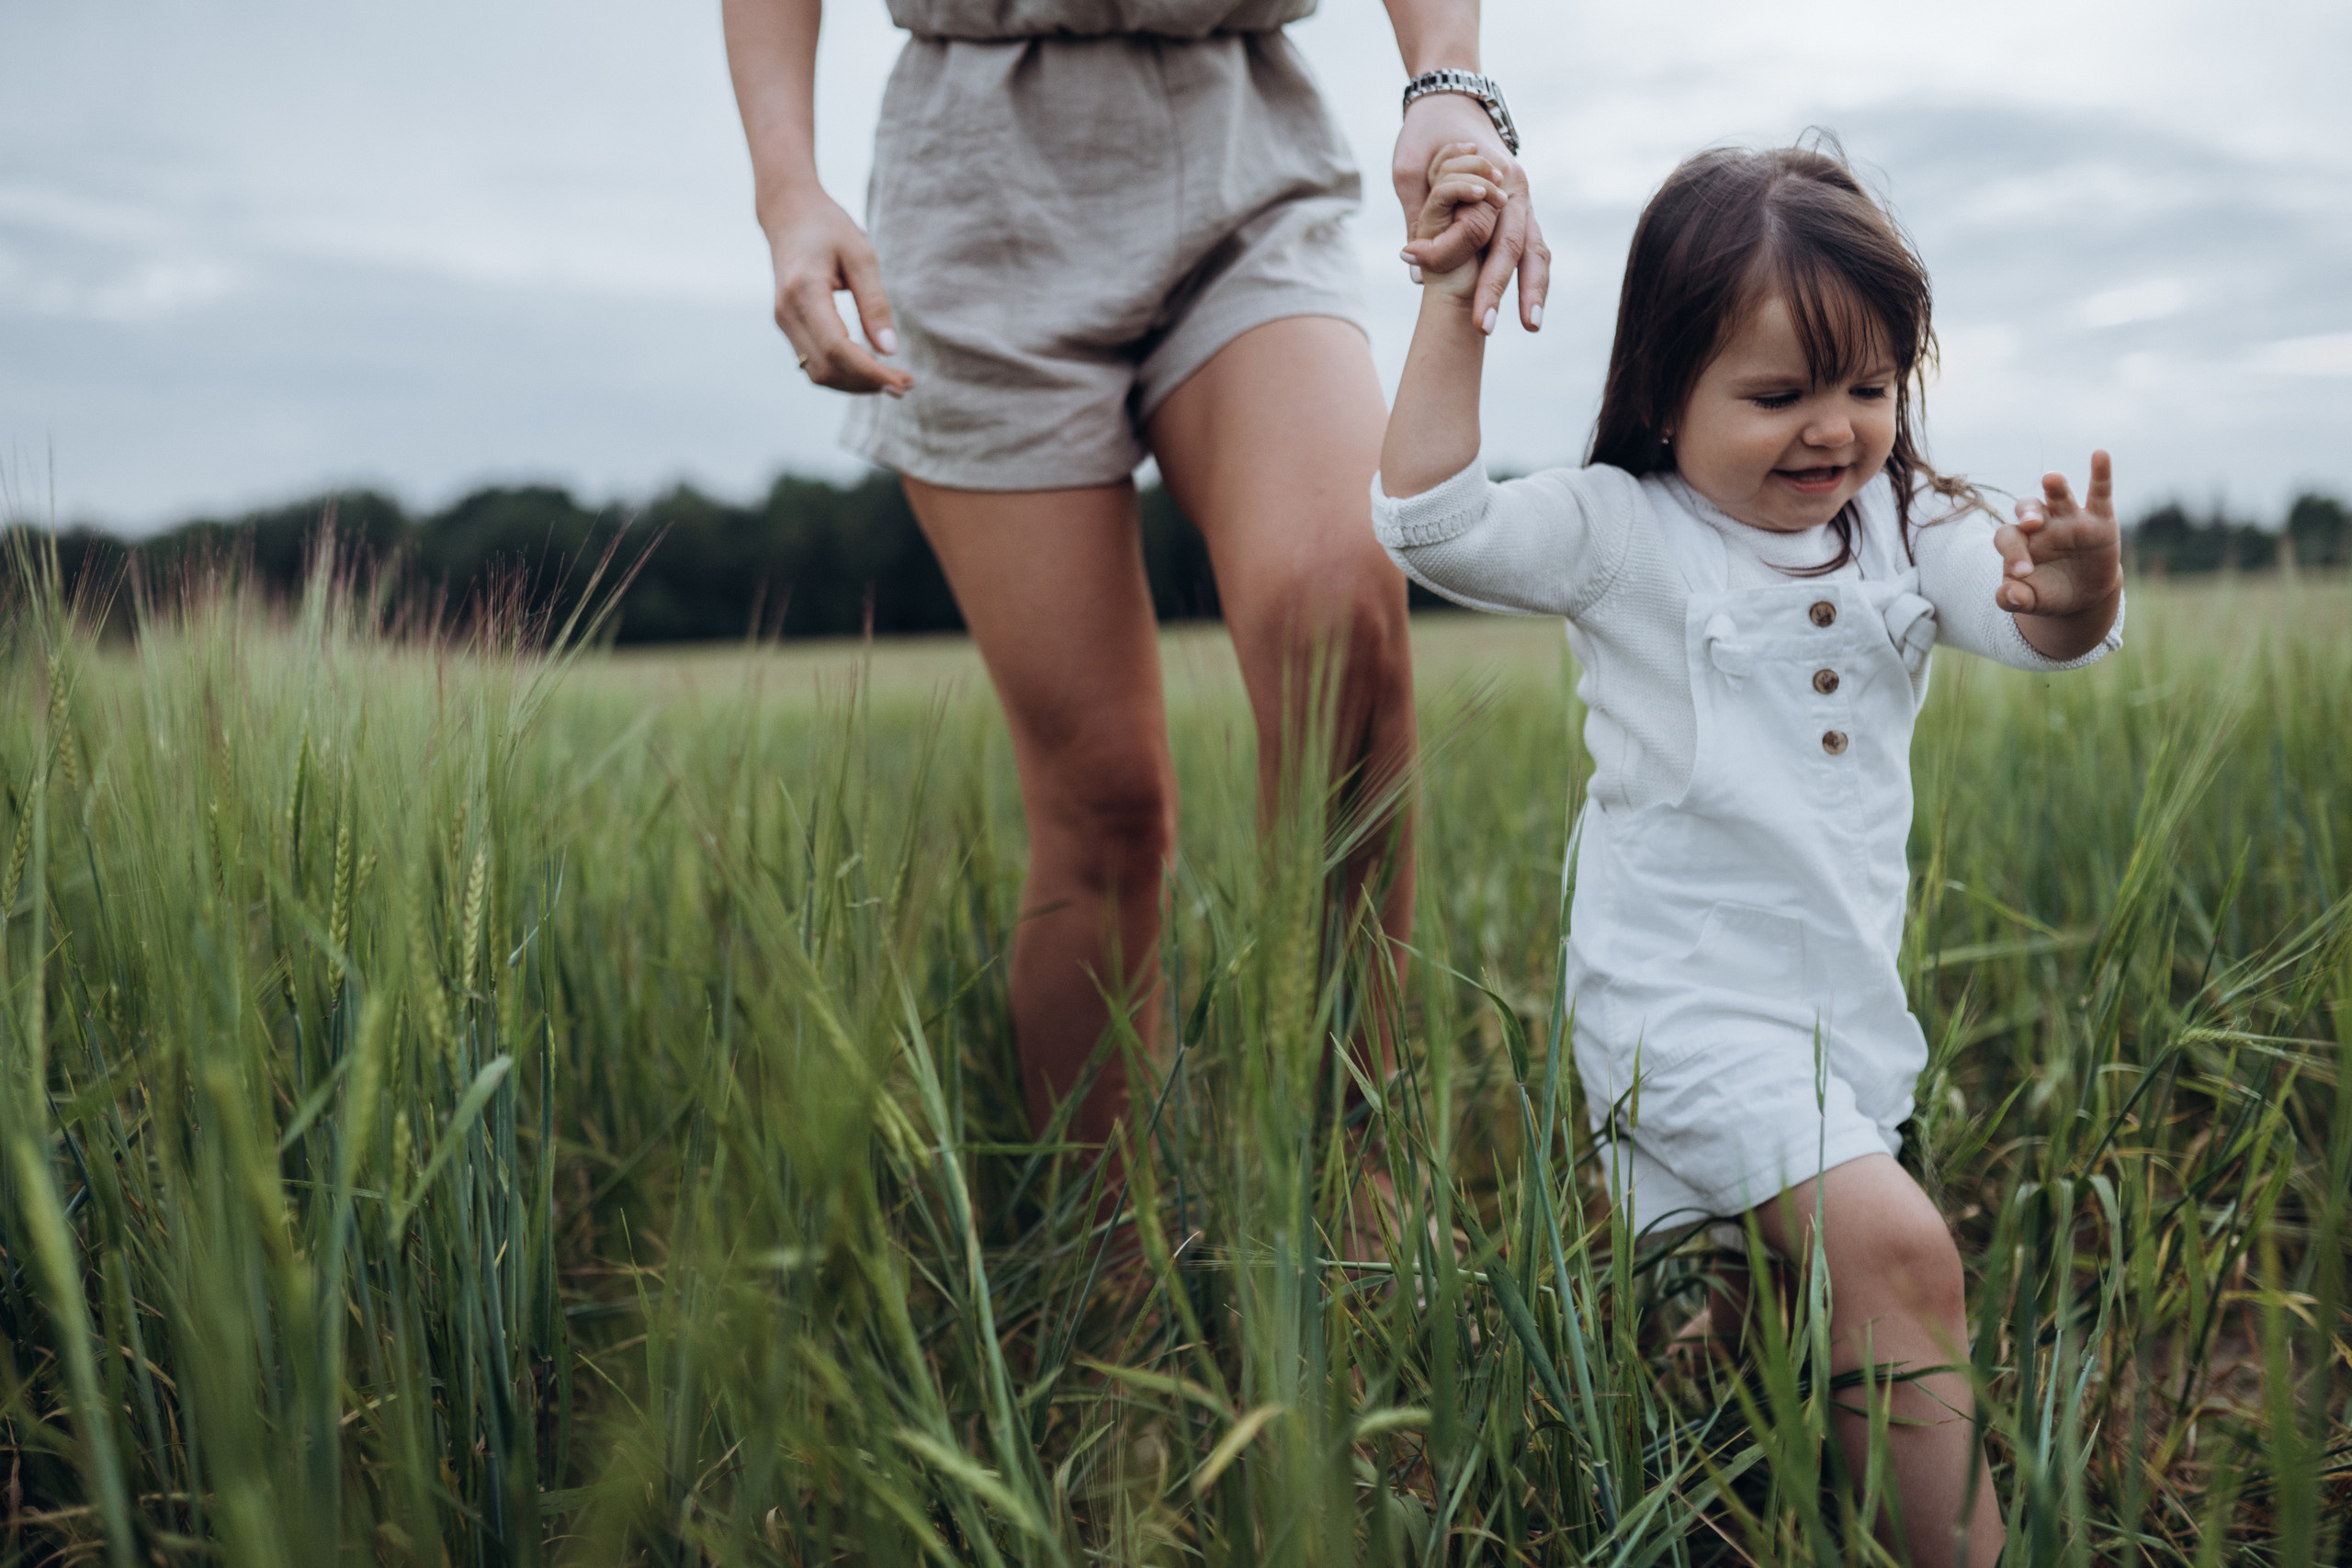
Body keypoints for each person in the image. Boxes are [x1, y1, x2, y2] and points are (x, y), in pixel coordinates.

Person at [1375, 140, 2125, 1567]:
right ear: (1664, 387)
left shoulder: (1907, 526)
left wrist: (2079, 594)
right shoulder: (1624, 532)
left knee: (1761, 1327)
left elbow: (2031, 621)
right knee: (1901, 1259)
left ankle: (1734, 1493)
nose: (1832, 431)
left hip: (1843, 1012)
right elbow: (1432, 522)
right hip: (1683, 1007)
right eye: (1778, 394)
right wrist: (1452, 298)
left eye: (1868, 387)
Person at [722, 0, 1549, 1155]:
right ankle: (1111, 1270)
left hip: (1239, 141)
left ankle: (1354, 1193)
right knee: (1102, 800)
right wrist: (787, 192)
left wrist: (1446, 79)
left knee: (1340, 618)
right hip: (975, 179)